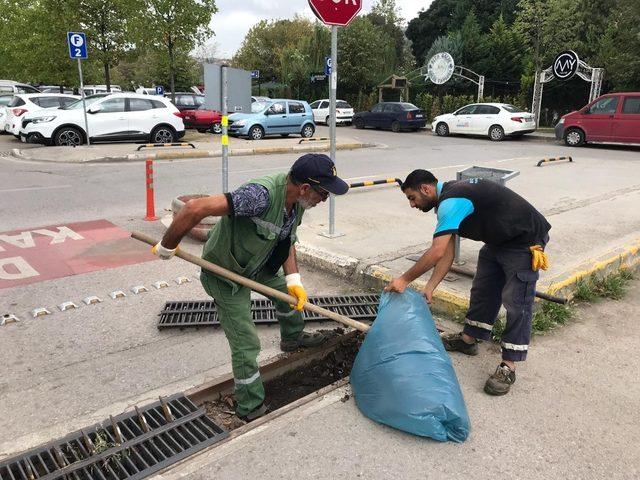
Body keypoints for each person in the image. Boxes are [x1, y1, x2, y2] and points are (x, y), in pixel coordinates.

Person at [152, 153, 349, 420]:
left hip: (258, 264)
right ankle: (250, 406)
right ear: (305, 188)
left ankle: (292, 338)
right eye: (323, 193)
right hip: (225, 273)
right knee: (246, 342)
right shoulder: (260, 195)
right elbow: (194, 209)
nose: (324, 200)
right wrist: (167, 245)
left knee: (288, 296)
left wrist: (293, 281)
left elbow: (287, 238)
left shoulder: (298, 203)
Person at [385, 169, 550, 396]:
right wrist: (431, 286)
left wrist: (404, 279)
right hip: (498, 239)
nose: (412, 205)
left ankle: (508, 365)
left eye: (412, 198)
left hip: (524, 240)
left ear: (426, 189)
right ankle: (469, 339)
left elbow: (436, 251)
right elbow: (447, 253)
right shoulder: (448, 201)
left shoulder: (452, 201)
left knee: (516, 300)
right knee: (483, 288)